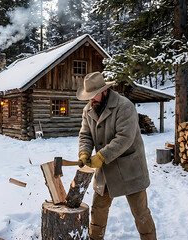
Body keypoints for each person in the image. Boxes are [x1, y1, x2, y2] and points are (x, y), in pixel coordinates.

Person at [76, 72, 157, 240]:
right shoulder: (89, 109)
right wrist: (84, 151)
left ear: (104, 90)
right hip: (105, 171)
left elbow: (125, 138)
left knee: (141, 213)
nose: (90, 99)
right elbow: (85, 135)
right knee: (97, 210)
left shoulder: (124, 106)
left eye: (93, 96)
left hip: (130, 168)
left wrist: (102, 156)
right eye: (88, 96)